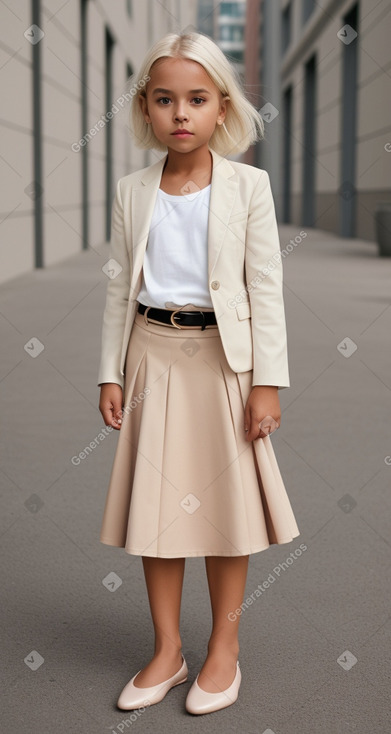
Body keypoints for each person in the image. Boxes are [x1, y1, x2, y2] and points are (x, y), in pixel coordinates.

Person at [97, 30, 300, 716]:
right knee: (156, 517)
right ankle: (165, 649)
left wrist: (266, 380)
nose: (179, 113)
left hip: (223, 365)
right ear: (146, 109)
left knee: (223, 515)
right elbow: (119, 284)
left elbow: (264, 287)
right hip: (152, 356)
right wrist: (110, 371)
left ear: (221, 108)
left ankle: (223, 649)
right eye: (164, 99)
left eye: (195, 99)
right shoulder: (132, 190)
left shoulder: (248, 186)